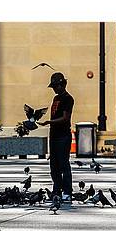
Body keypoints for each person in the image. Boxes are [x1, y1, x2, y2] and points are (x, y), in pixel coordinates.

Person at [37, 72, 74, 201]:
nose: (54, 89)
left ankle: (67, 191)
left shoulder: (68, 98)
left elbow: (65, 118)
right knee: (54, 165)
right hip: (54, 135)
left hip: (63, 135)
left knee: (64, 164)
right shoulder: (56, 99)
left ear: (63, 84)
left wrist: (49, 122)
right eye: (53, 87)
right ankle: (57, 190)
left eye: (56, 86)